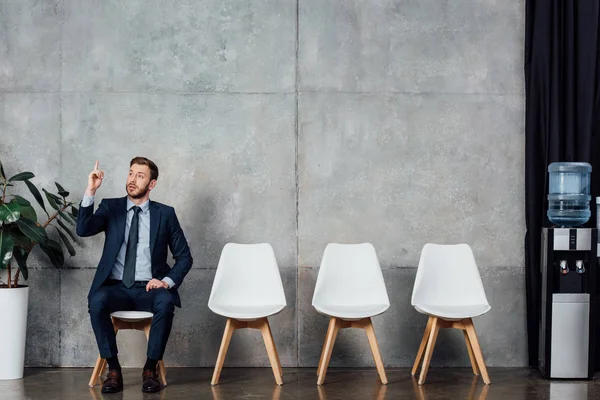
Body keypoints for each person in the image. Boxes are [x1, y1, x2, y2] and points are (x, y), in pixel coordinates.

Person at [76, 157, 193, 393]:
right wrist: (91, 190)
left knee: (165, 302)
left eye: (140, 176)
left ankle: (150, 369)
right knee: (96, 301)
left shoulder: (165, 214)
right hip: (116, 286)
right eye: (131, 173)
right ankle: (113, 369)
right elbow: (83, 229)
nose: (132, 179)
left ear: (152, 184)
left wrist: (165, 281)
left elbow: (184, 257)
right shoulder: (111, 208)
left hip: (148, 288)